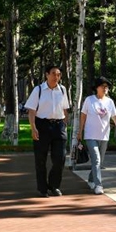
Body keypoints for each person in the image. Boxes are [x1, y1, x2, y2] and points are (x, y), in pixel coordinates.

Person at [24, 65, 70, 198]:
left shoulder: (62, 90)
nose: (57, 77)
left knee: (60, 158)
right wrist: (33, 128)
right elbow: (32, 111)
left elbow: (65, 109)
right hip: (42, 126)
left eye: (59, 75)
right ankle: (43, 188)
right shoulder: (38, 90)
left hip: (59, 126)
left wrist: (65, 124)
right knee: (40, 159)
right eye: (54, 74)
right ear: (47, 75)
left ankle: (54, 185)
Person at [77, 77, 116, 195]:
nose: (105, 88)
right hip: (90, 135)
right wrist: (80, 131)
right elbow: (83, 116)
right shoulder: (89, 100)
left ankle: (91, 179)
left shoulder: (110, 102)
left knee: (99, 161)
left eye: (107, 86)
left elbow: (115, 116)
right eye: (103, 86)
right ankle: (98, 185)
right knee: (97, 160)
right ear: (97, 88)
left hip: (104, 135)